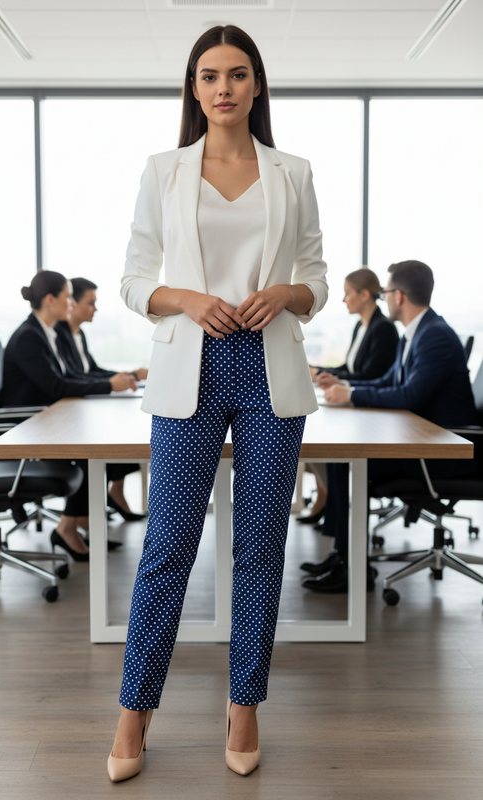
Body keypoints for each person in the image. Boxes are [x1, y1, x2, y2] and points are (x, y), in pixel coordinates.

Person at [108, 25, 328, 781]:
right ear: (193, 88)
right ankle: (134, 710)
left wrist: (289, 294)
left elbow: (317, 276)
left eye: (237, 74)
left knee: (260, 547)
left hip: (270, 370)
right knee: (167, 546)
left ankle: (244, 705)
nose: (223, 87)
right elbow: (135, 279)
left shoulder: (291, 172)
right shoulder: (163, 170)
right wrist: (187, 299)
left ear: (256, 85)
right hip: (189, 367)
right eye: (209, 75)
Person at [301, 260, 478, 593]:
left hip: (439, 452)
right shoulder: (417, 332)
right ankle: (344, 557)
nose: (384, 298)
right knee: (341, 460)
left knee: (346, 462)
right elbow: (388, 379)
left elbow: (410, 395)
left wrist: (351, 394)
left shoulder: (434, 335)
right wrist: (347, 388)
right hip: (422, 439)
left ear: (398, 296)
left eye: (385, 292)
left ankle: (351, 566)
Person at [2, 270, 137, 561]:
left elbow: (71, 375)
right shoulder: (29, 338)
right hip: (26, 429)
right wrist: (108, 385)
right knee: (91, 455)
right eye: (68, 297)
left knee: (96, 447)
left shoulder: (45, 333)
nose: (72, 304)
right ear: (51, 300)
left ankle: (80, 523)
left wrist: (113, 381)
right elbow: (55, 385)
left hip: (44, 421)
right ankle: (68, 528)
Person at [299, 268, 398, 524]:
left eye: (347, 293)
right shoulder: (362, 326)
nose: (344, 300)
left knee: (334, 453)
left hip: (376, 414)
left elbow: (372, 374)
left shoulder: (384, 329)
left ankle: (337, 537)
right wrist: (322, 372)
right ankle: (333, 530)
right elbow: (350, 368)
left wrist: (339, 380)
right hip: (363, 404)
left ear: (364, 295)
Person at [55, 276, 148, 522]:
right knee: (104, 441)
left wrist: (128, 375)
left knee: (122, 432)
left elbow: (91, 370)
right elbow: (71, 378)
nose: (95, 309)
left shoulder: (77, 335)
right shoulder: (58, 335)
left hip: (72, 408)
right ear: (72, 303)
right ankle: (81, 518)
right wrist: (110, 385)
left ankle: (112, 494)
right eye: (90, 303)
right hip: (55, 417)